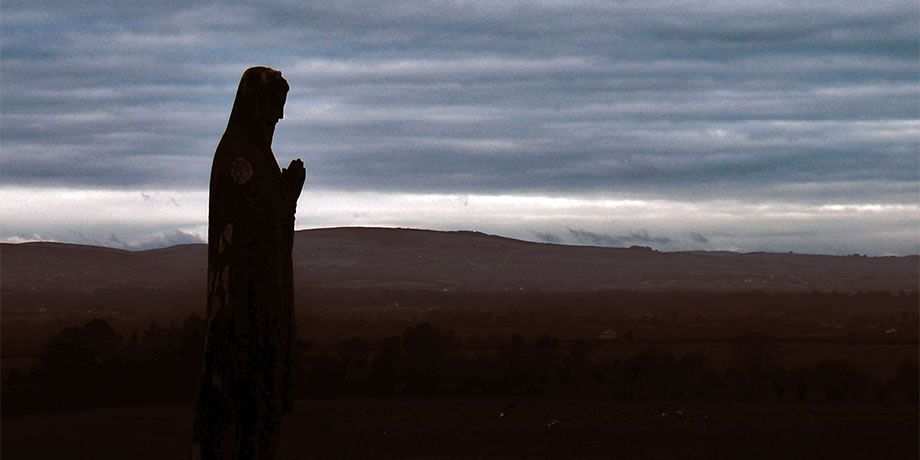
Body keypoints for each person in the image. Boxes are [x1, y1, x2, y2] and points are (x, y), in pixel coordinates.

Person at [192, 66, 305, 460]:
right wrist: (283, 200)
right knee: (240, 409)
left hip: (263, 301)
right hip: (241, 304)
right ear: (255, 106)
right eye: (274, 108)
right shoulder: (238, 159)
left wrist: (286, 199)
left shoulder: (259, 159)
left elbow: (270, 231)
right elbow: (248, 228)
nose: (279, 118)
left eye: (282, 109)